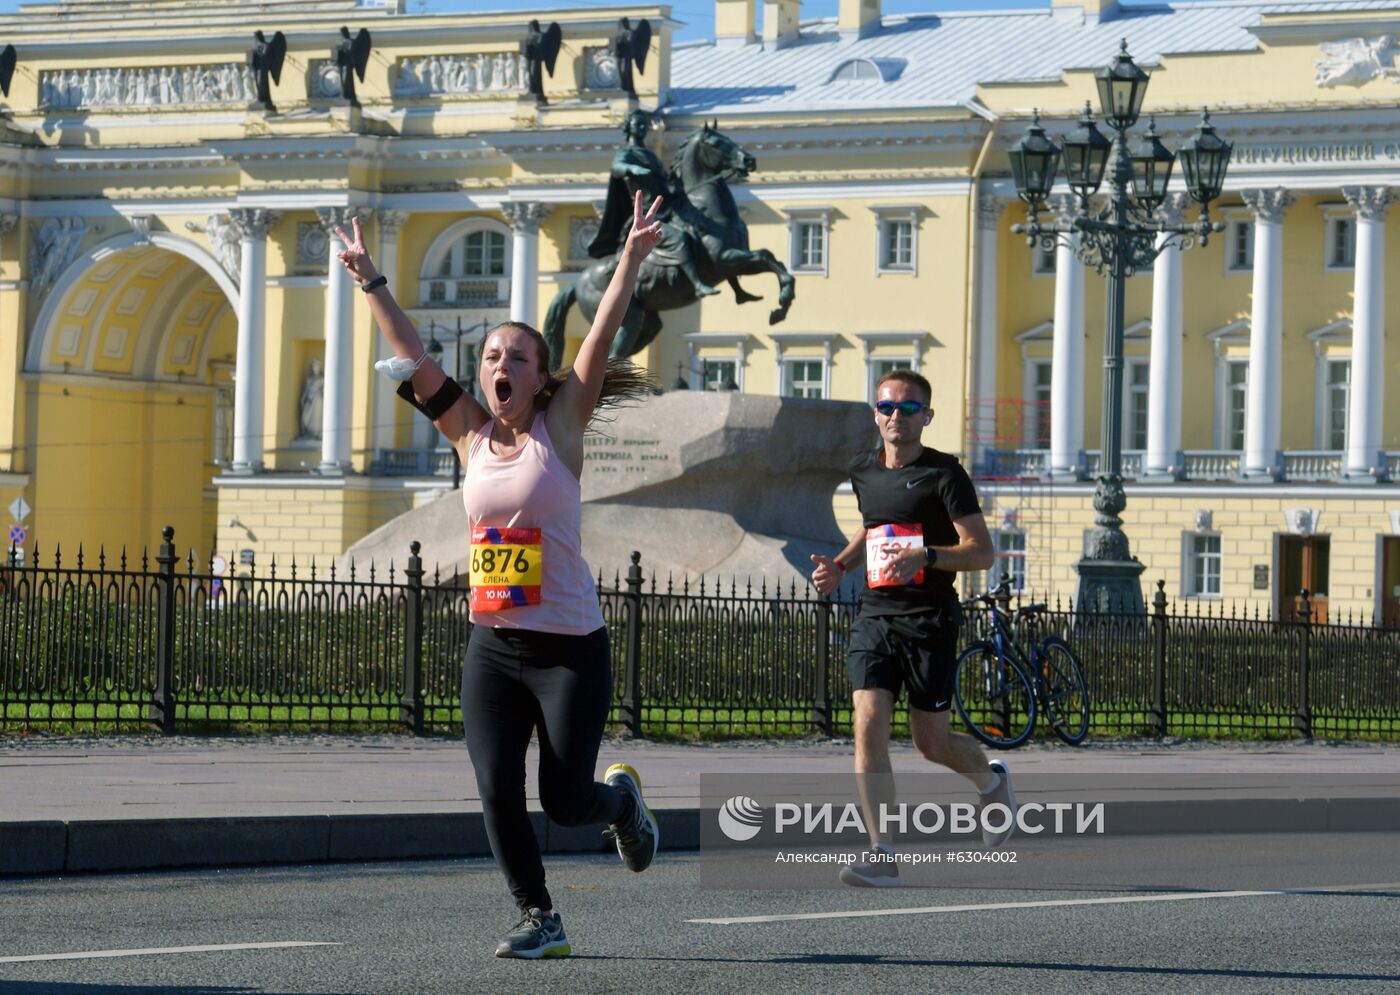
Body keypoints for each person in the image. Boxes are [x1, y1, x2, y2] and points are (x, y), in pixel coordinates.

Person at [332, 191, 664, 959]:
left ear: (542, 376)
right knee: (493, 788)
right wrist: (371, 279)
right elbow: (415, 358)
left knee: (565, 798)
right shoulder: (469, 435)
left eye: (517, 357)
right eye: (490, 357)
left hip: (568, 648)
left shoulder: (563, 428)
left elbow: (602, 334)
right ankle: (540, 915)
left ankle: (621, 807)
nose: (500, 366)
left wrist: (632, 261)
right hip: (492, 643)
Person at [810, 369, 1014, 888]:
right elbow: (873, 526)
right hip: (876, 615)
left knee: (931, 743)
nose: (895, 416)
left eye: (907, 408)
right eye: (886, 406)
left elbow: (982, 552)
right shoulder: (863, 472)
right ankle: (882, 851)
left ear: (926, 416)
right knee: (867, 722)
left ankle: (991, 784)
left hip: (930, 620)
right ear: (875, 413)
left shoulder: (946, 474)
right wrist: (840, 566)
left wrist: (927, 554)